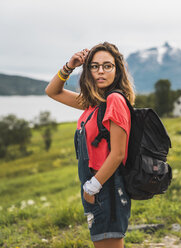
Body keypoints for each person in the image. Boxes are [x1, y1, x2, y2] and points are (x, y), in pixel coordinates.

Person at [45, 42, 135, 248]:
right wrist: (70, 65)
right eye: (94, 66)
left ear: (117, 70)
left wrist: (92, 188)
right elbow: (53, 91)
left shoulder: (115, 100)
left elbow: (118, 153)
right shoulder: (94, 103)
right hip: (96, 187)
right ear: (88, 71)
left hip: (107, 187)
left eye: (107, 66)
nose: (100, 71)